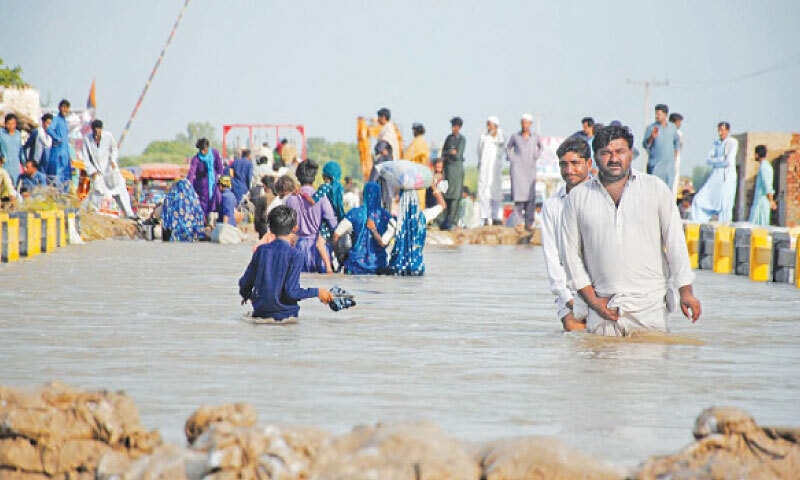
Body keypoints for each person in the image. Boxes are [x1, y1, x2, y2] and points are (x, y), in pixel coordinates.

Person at [560, 125, 701, 337]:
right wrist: (594, 302)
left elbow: (675, 243)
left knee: (649, 366)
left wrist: (686, 291)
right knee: (597, 368)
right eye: (606, 153)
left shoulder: (655, 189)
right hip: (602, 311)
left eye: (620, 152)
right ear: (596, 159)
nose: (614, 159)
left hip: (649, 309)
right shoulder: (578, 198)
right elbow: (570, 257)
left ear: (630, 154)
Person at [239, 205, 333, 322]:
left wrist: (247, 295)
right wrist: (318, 292)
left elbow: (244, 284)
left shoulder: (261, 251)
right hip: (286, 317)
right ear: (295, 228)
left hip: (260, 314)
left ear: (271, 228)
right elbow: (292, 292)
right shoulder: (295, 255)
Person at [541, 137, 593, 332]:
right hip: (569, 290)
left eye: (575, 163)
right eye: (564, 164)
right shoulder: (552, 205)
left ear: (588, 163)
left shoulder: (602, 197)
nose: (569, 170)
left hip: (603, 286)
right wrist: (569, 299)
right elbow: (552, 257)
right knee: (575, 331)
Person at [284, 159, 338, 273]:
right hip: (319, 249)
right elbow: (333, 223)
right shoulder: (322, 198)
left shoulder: (290, 199)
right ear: (314, 178)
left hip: (299, 248)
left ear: (298, 177)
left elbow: (286, 227)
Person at [387, 178, 447, 276]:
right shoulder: (424, 217)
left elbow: (383, 243)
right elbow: (443, 205)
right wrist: (433, 186)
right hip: (417, 269)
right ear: (416, 199)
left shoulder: (395, 222)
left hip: (396, 269)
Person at [333, 181, 393, 275]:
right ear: (379, 195)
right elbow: (386, 242)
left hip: (355, 266)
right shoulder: (385, 216)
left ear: (364, 194)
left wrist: (339, 258)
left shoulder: (354, 213)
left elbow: (336, 234)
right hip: (378, 266)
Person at [82, 120, 136, 218]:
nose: (96, 134)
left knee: (121, 190)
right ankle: (93, 213)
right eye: (95, 131)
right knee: (97, 191)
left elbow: (114, 149)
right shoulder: (87, 139)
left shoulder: (108, 136)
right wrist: (92, 171)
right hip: (98, 172)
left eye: (98, 131)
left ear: (101, 130)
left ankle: (129, 214)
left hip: (110, 171)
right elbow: (86, 158)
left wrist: (113, 160)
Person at [691, 122, 739, 223]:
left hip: (727, 178)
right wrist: (720, 159)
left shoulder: (732, 142)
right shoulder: (716, 143)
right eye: (719, 130)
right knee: (699, 200)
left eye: (722, 130)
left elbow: (728, 161)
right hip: (715, 176)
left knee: (724, 205)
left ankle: (724, 229)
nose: (720, 133)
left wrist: (716, 160)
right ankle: (699, 223)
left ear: (727, 130)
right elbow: (708, 159)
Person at [506, 113, 543, 230]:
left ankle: (529, 223)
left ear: (530, 124)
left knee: (530, 197)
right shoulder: (515, 136)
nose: (524, 125)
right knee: (518, 198)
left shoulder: (535, 136)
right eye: (523, 122)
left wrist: (535, 156)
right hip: (517, 169)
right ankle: (518, 223)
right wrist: (513, 159)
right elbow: (508, 148)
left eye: (526, 123)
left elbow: (541, 147)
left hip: (530, 169)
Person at [642, 104, 680, 189]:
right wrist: (651, 137)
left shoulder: (672, 128)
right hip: (656, 166)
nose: (656, 116)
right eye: (656, 114)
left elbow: (677, 142)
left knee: (667, 191)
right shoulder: (651, 128)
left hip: (669, 167)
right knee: (654, 189)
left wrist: (675, 155)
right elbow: (645, 145)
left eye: (659, 114)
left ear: (665, 115)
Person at [187, 137, 224, 222]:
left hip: (214, 183)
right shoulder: (196, 159)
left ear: (208, 148)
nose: (203, 152)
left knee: (218, 200)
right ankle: (203, 221)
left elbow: (220, 167)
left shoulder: (214, 153)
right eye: (201, 150)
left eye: (205, 149)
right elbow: (191, 174)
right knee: (203, 206)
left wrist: (222, 178)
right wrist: (189, 186)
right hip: (202, 187)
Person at [477, 116, 505, 226]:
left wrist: (495, 133)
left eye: (490, 124)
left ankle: (495, 216)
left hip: (496, 169)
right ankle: (484, 217)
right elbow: (479, 151)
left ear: (496, 125)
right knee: (484, 193)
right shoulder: (483, 137)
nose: (488, 126)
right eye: (487, 124)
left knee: (496, 193)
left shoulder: (500, 136)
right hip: (485, 169)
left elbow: (502, 144)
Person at [440, 116, 466, 230]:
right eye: (453, 126)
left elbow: (457, 154)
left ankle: (453, 221)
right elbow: (444, 153)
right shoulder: (448, 138)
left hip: (457, 170)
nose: (454, 128)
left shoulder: (462, 139)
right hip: (447, 170)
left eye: (456, 126)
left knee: (455, 196)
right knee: (446, 194)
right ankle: (444, 221)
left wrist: (451, 153)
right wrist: (450, 152)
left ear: (459, 127)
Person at [46, 99, 73, 191]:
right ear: (59, 108)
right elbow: (49, 129)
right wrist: (57, 138)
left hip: (65, 154)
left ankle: (64, 198)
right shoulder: (56, 119)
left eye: (66, 108)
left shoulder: (64, 121)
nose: (64, 110)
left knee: (67, 177)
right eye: (63, 107)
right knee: (57, 177)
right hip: (58, 154)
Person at [748, 145, 776, 225]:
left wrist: (771, 200)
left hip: (762, 201)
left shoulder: (764, 167)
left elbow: (767, 185)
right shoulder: (764, 166)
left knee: (760, 225)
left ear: (757, 155)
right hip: (760, 200)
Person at [404, 122, 431, 205]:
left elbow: (406, 158)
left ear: (415, 131)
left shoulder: (415, 143)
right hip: (423, 175)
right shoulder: (425, 143)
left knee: (413, 199)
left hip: (414, 174)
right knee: (421, 199)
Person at [0, 113, 25, 189]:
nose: (10, 126)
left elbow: (21, 151)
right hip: (4, 164)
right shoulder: (1, 134)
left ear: (15, 124)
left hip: (15, 166)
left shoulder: (18, 134)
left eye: (12, 124)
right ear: (5, 124)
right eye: (8, 124)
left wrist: (24, 164)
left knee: (15, 186)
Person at [669, 112, 684, 194]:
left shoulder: (679, 133)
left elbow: (680, 147)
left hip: (676, 159)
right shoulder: (670, 132)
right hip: (669, 159)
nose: (680, 124)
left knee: (674, 181)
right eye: (679, 122)